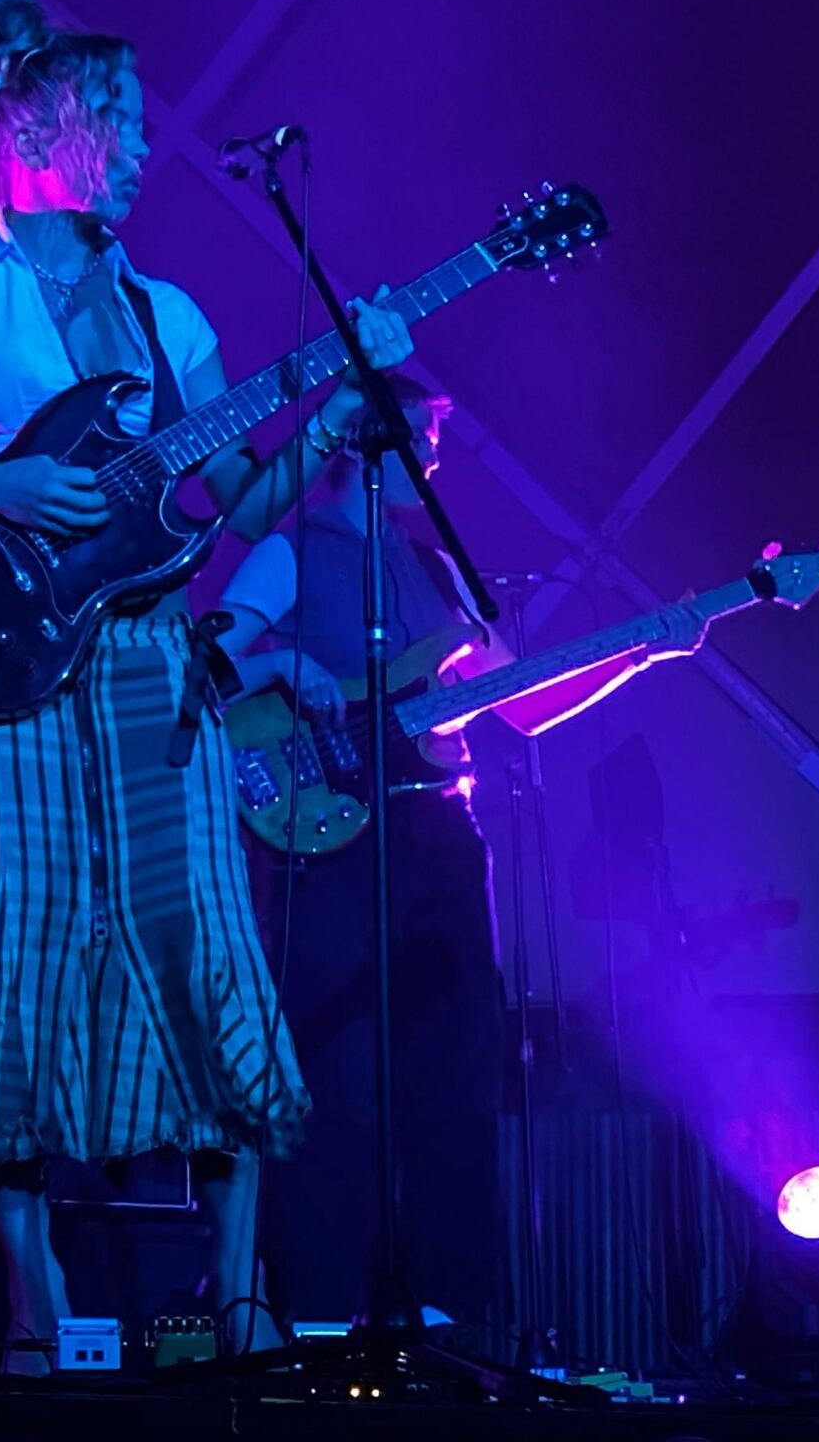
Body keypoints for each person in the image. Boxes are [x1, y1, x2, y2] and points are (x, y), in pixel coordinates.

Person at [0, 0, 418, 1364]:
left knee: (207, 953)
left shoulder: (166, 312)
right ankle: (34, 1303)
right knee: (1, 973)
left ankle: (241, 1302)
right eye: (115, 124)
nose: (139, 149)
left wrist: (334, 422)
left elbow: (239, 506)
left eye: (136, 126)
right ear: (33, 132)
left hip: (143, 661)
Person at [214, 388, 703, 1329]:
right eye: (421, 444)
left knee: (456, 1082)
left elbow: (514, 704)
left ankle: (450, 1322)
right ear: (364, 445)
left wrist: (643, 653)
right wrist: (280, 667)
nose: (434, 465)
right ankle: (316, 1322)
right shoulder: (293, 549)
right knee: (336, 1086)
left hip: (440, 839)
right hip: (331, 845)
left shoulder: (439, 569)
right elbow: (215, 663)